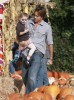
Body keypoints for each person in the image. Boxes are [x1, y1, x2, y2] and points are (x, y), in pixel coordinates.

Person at [22, 5, 53, 94]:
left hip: (37, 53)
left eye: (37, 16)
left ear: (42, 17)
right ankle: (33, 92)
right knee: (25, 77)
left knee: (32, 77)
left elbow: (50, 43)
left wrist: (50, 58)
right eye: (34, 15)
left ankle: (30, 96)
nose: (35, 17)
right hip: (25, 52)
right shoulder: (28, 23)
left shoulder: (47, 27)